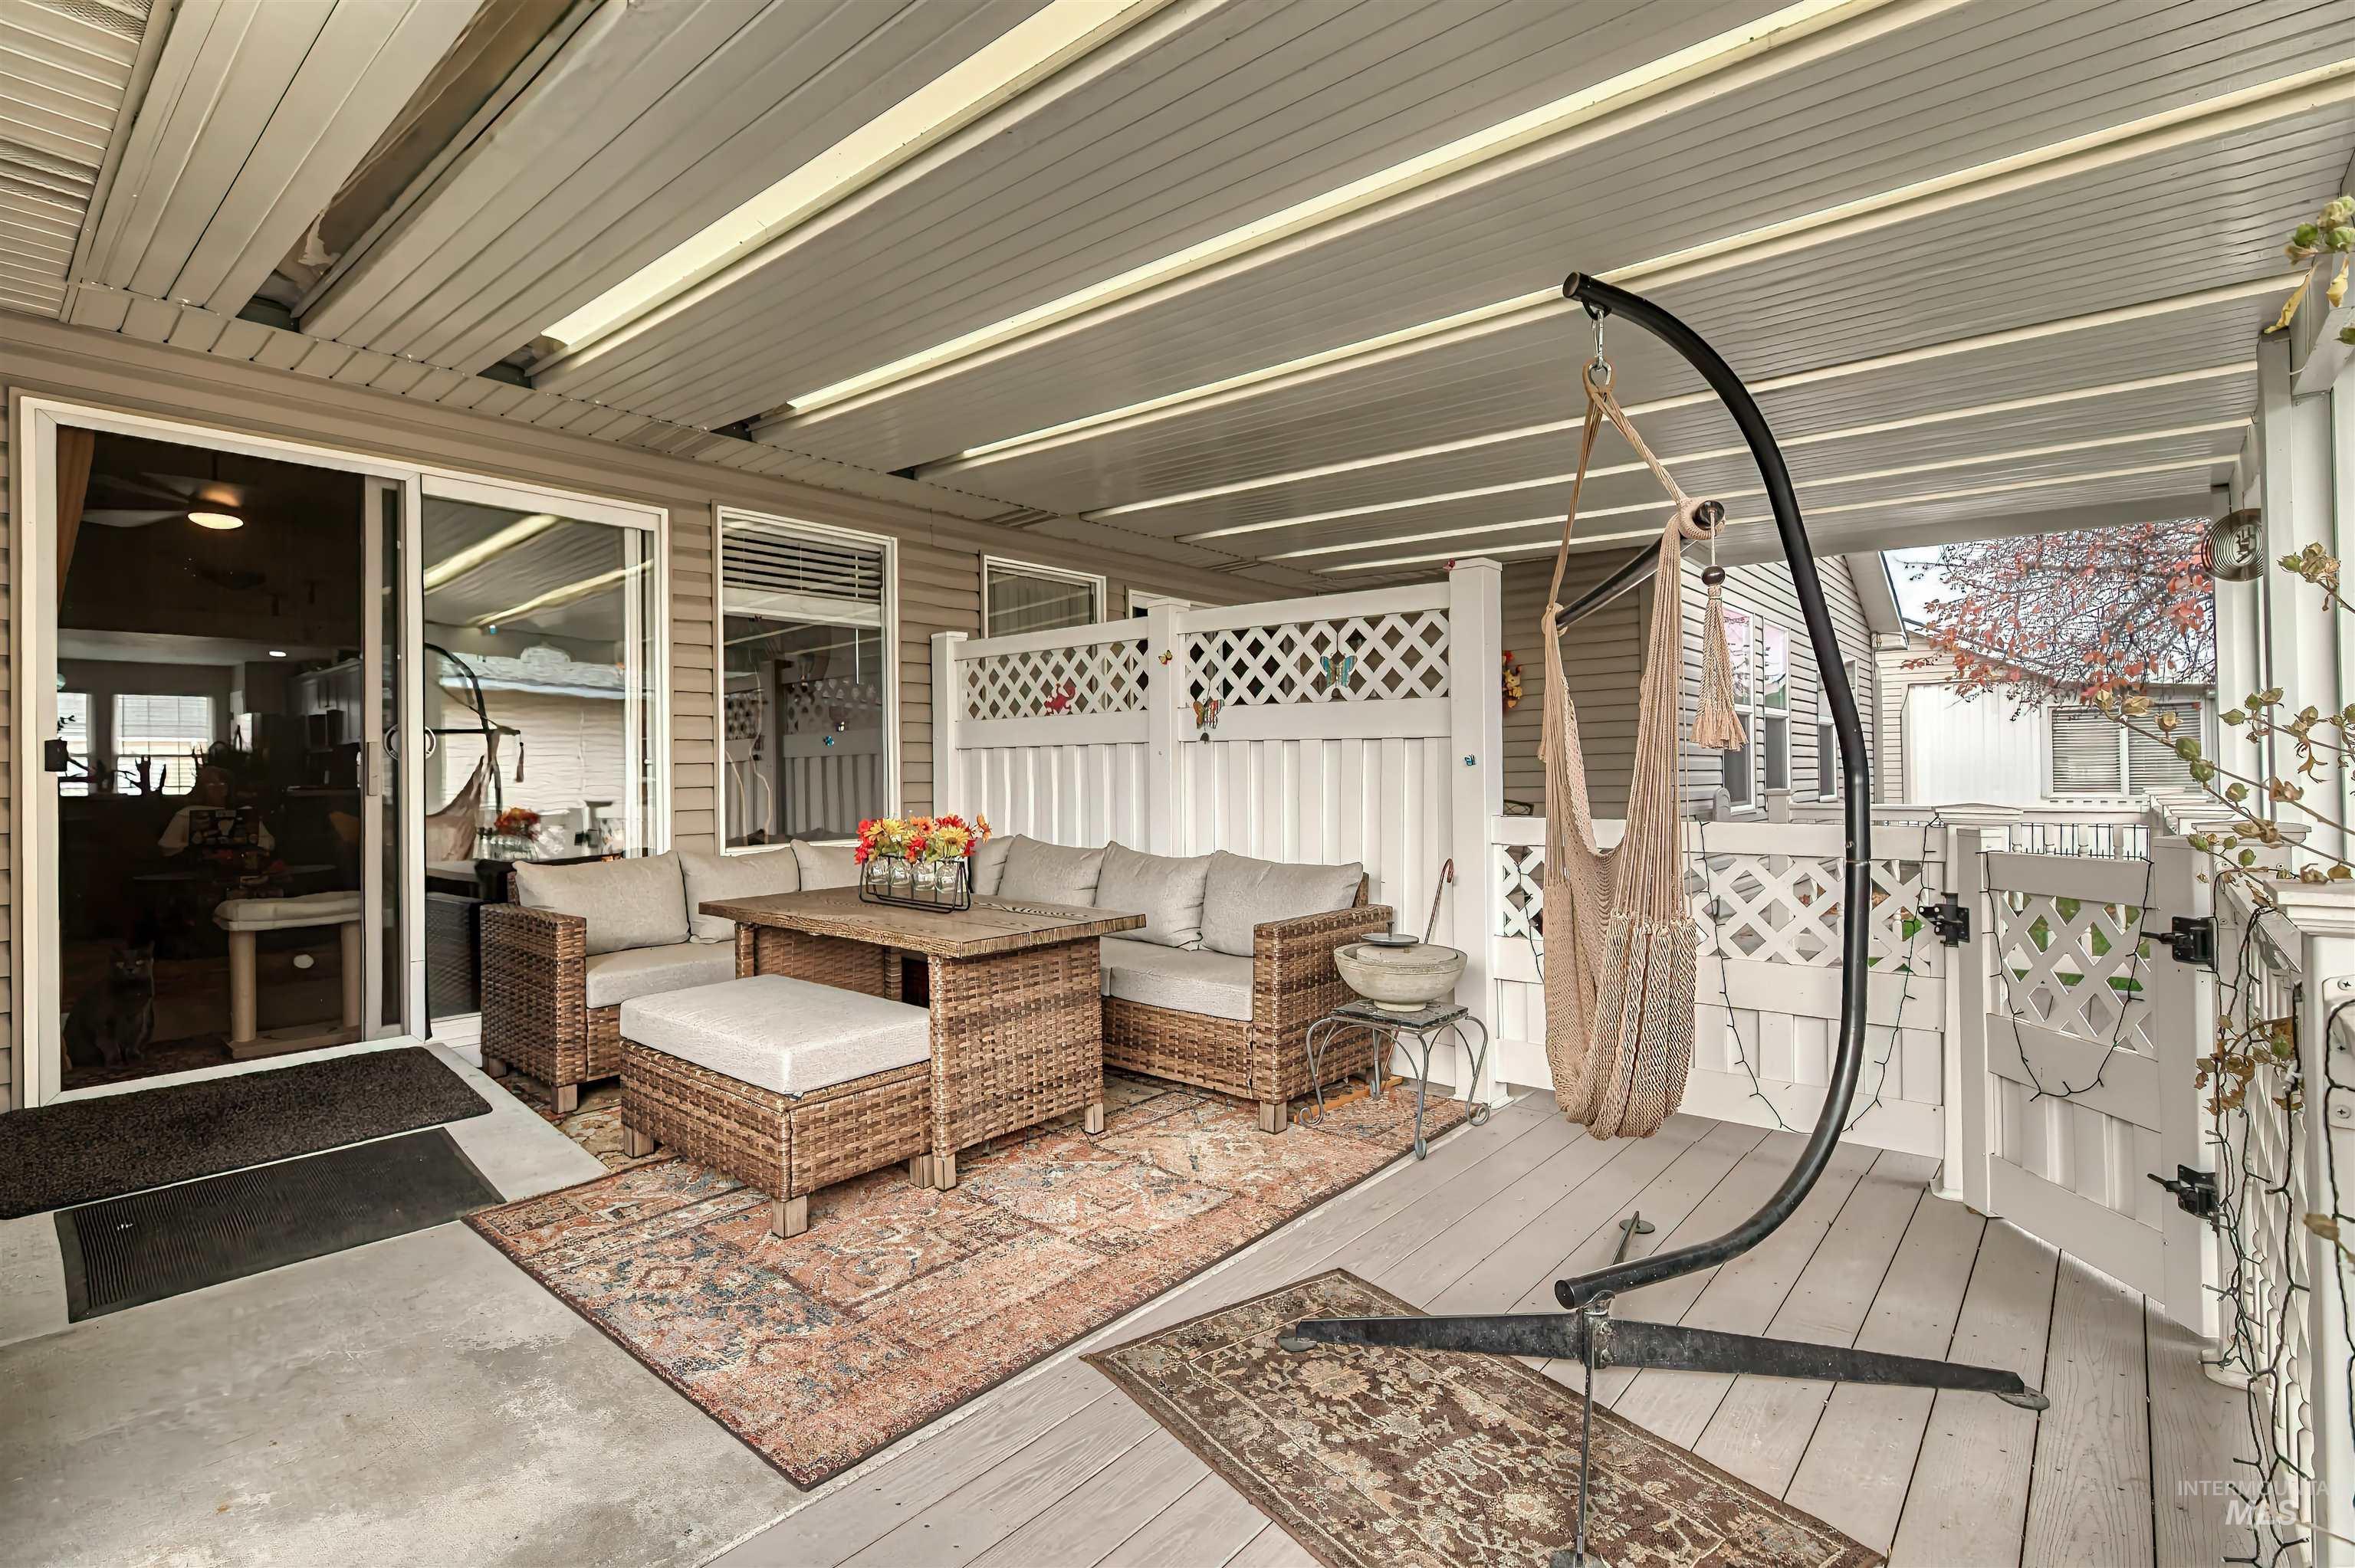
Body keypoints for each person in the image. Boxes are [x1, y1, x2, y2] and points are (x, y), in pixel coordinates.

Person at [157, 766, 273, 855]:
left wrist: (252, 840)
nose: (220, 789)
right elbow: (167, 847)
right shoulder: (185, 814)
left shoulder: (245, 813)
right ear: (200, 789)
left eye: (223, 785)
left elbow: (270, 843)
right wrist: (192, 845)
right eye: (211, 785)